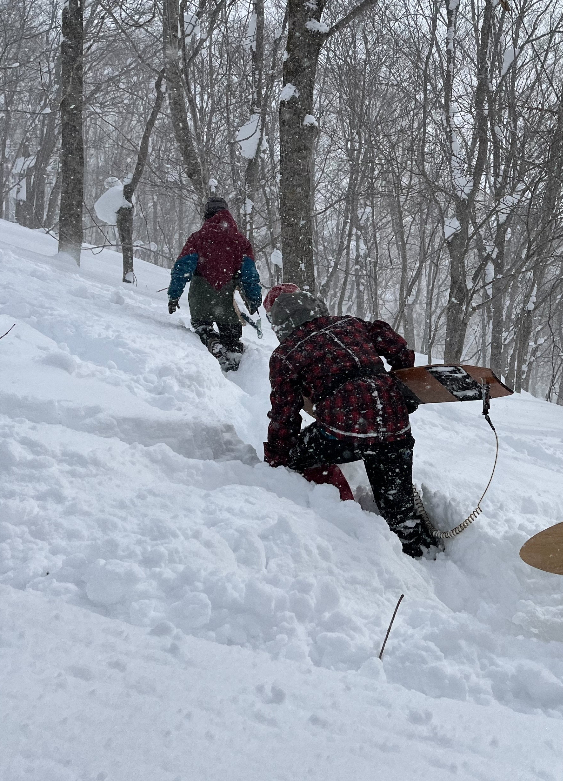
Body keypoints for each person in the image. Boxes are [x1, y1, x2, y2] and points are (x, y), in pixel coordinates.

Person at [261, 284, 438, 558]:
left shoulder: (286, 354)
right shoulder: (350, 323)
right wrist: (401, 384)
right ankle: (420, 550)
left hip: (342, 430)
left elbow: (284, 415)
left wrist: (275, 458)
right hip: (393, 420)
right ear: (313, 304)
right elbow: (395, 345)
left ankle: (340, 508)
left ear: (278, 322)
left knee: (297, 458)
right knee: (398, 505)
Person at [166, 196, 262, 372]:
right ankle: (233, 357)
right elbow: (249, 274)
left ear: (207, 215)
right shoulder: (241, 242)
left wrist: (174, 295)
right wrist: (254, 299)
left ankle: (210, 340)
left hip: (201, 295)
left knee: (202, 325)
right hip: (225, 299)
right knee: (232, 334)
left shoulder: (198, 238)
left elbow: (182, 268)